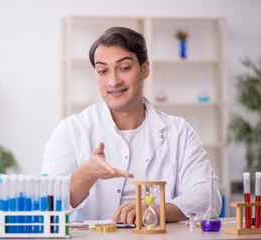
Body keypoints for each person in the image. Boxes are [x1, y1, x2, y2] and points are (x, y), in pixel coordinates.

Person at [42, 27, 222, 224]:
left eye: (124, 68)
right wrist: (88, 173)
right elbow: (47, 205)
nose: (113, 81)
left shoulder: (179, 132)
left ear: (145, 69)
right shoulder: (71, 131)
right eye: (103, 71)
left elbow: (208, 197)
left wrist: (154, 212)